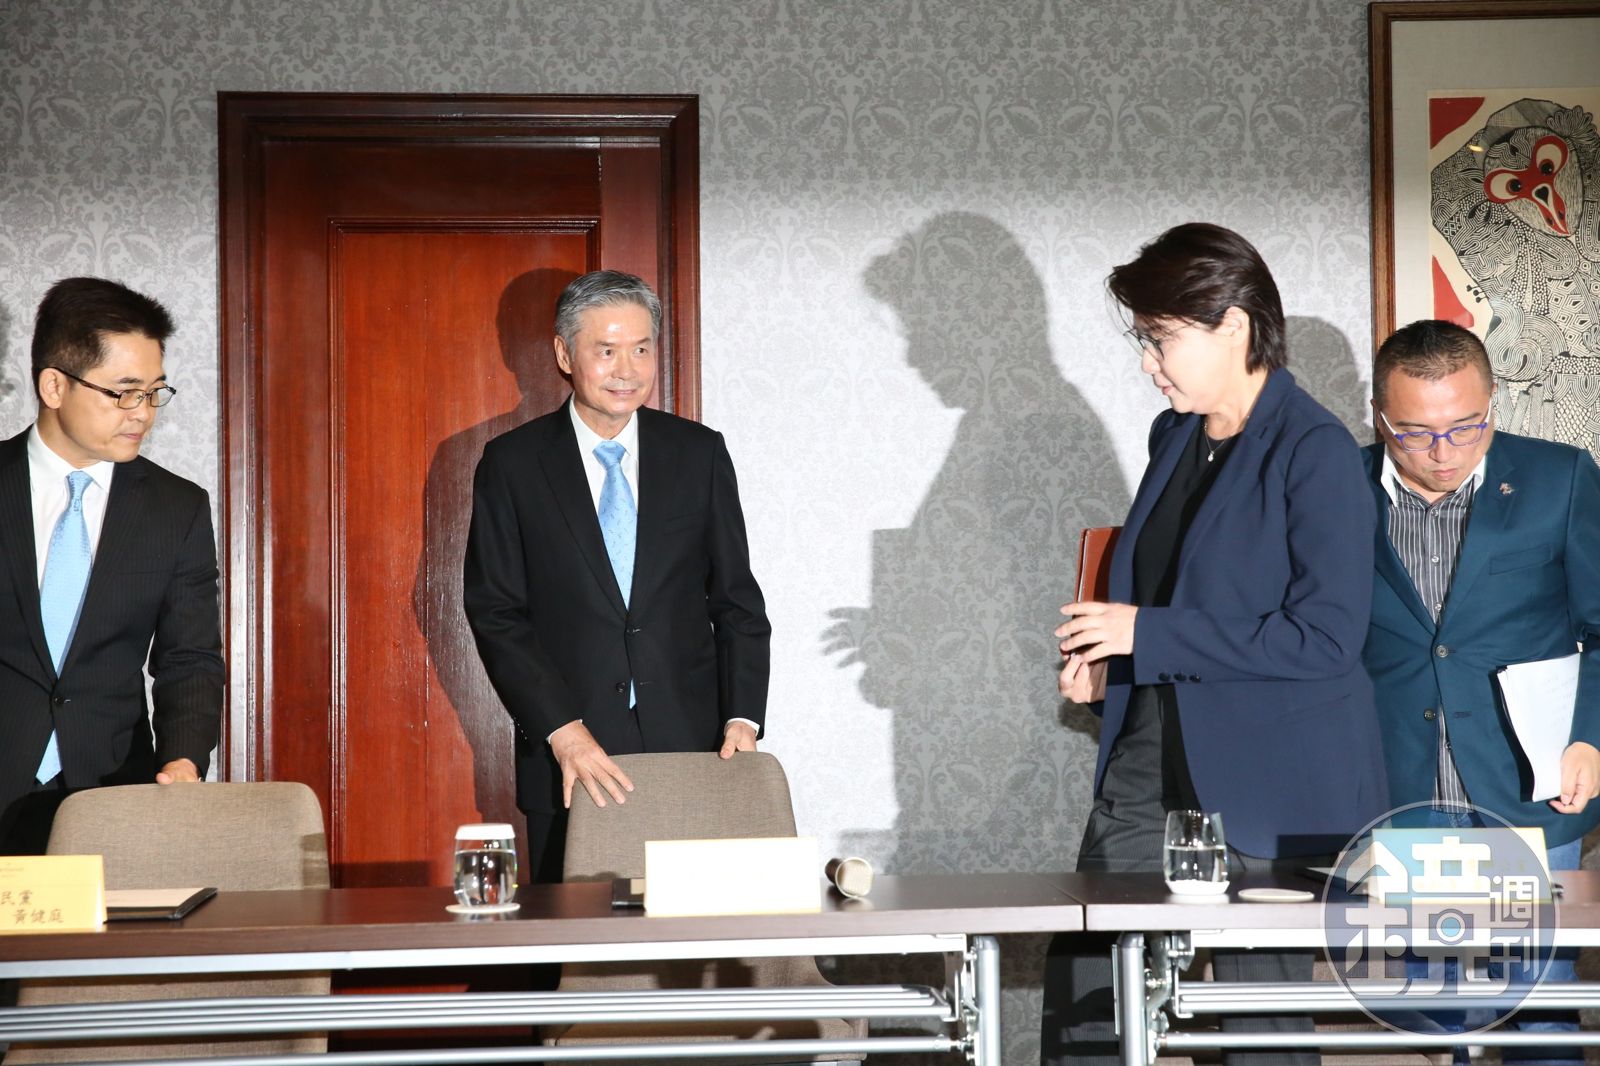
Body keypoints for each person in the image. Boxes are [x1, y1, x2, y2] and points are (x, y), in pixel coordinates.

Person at [1043, 223, 1389, 1065]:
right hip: (1148, 754)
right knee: (1089, 994)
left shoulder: (1316, 450)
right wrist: (1110, 660)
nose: (1147, 363)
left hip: (1271, 780)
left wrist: (1144, 632)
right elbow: (1175, 591)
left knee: (1258, 1024)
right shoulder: (1174, 435)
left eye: (1160, 339)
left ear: (1233, 326)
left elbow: (1326, 639)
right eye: (1143, 340)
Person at [463, 269, 771, 886]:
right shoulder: (513, 464)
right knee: (576, 933)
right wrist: (561, 729)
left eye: (641, 349)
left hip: (694, 750)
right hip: (571, 757)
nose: (626, 369)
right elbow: (496, 611)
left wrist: (742, 717)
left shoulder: (699, 453)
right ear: (564, 355)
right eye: (606, 351)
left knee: (690, 935)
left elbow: (737, 600)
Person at [1363, 319, 1600, 1065]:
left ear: (1493, 401)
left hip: (1524, 790)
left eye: (1467, 426)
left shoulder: (1560, 479)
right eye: (1415, 433)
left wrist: (1590, 737)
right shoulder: (1336, 489)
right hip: (1406, 789)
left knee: (1540, 1013)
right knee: (1436, 1017)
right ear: (1380, 416)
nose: (1444, 453)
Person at [0, 277, 224, 855]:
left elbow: (190, 657)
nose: (142, 413)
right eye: (124, 393)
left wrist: (183, 759)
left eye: (154, 392)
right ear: (54, 385)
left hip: (112, 796)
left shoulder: (176, 508)